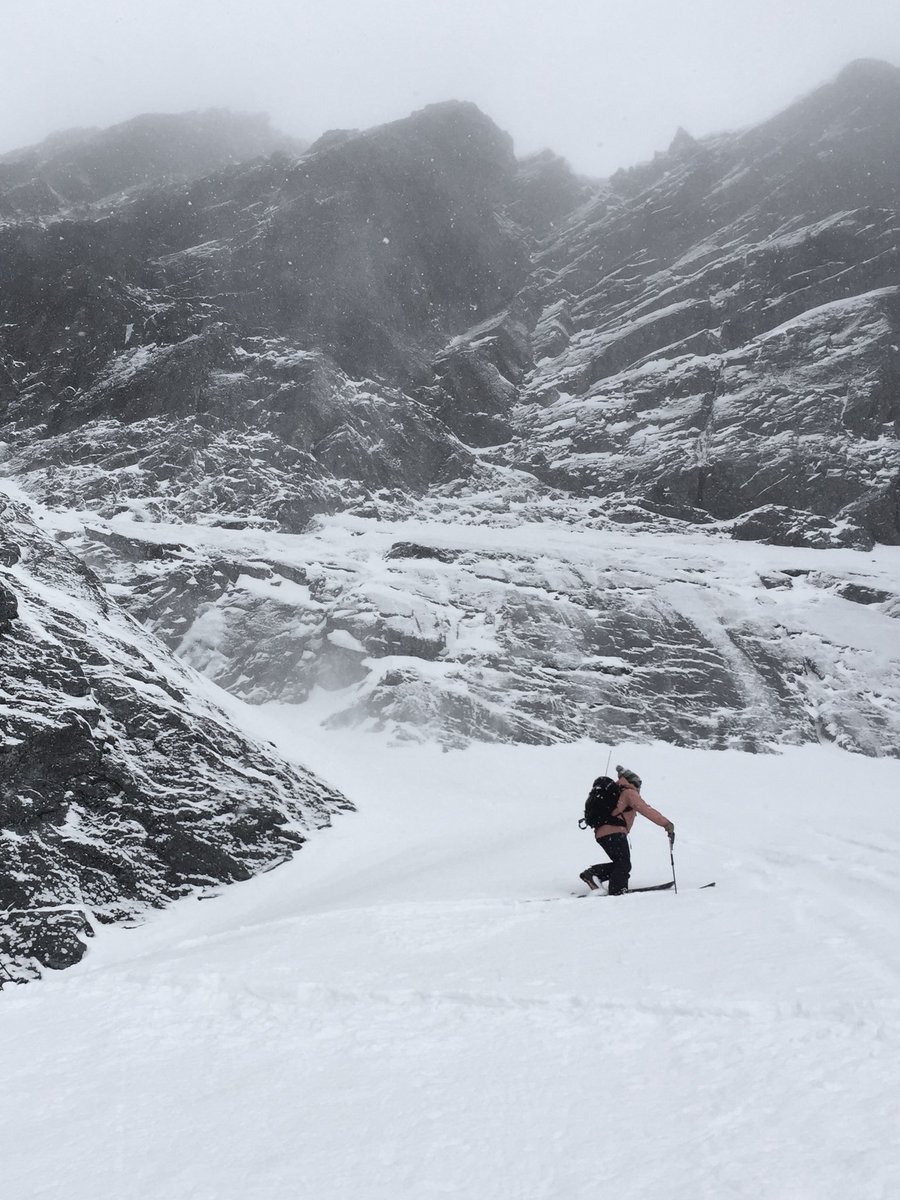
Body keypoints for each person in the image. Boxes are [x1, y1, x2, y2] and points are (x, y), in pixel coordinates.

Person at [579, 765, 674, 895]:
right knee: (623, 864)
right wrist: (667, 824)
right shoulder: (629, 792)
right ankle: (617, 889)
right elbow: (646, 810)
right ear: (633, 782)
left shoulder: (615, 792)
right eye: (638, 783)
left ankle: (594, 875)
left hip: (601, 833)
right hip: (615, 832)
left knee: (621, 863)